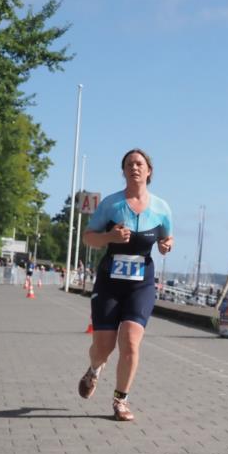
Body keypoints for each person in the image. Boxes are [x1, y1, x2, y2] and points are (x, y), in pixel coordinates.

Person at [77, 149, 173, 421]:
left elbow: (167, 239)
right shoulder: (111, 204)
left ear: (149, 171)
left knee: (130, 342)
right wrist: (109, 236)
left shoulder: (162, 208)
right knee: (103, 347)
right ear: (123, 171)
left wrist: (166, 245)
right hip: (110, 282)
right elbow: (88, 238)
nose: (134, 167)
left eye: (139, 164)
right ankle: (95, 369)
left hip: (141, 284)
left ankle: (121, 400)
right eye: (129, 164)